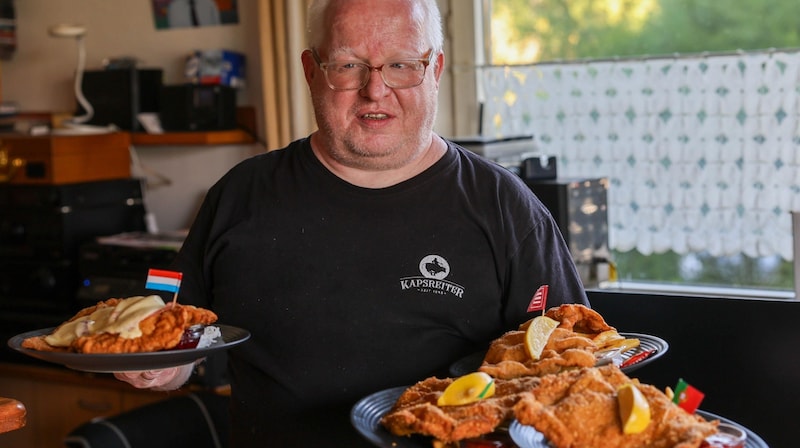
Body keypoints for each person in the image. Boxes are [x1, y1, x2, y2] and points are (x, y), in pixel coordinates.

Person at [116, 0, 589, 445]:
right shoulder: (238, 193)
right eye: (348, 65)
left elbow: (573, 363)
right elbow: (169, 305)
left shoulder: (507, 207)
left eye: (402, 64)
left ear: (436, 70)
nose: (375, 89)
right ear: (310, 71)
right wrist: (157, 363)